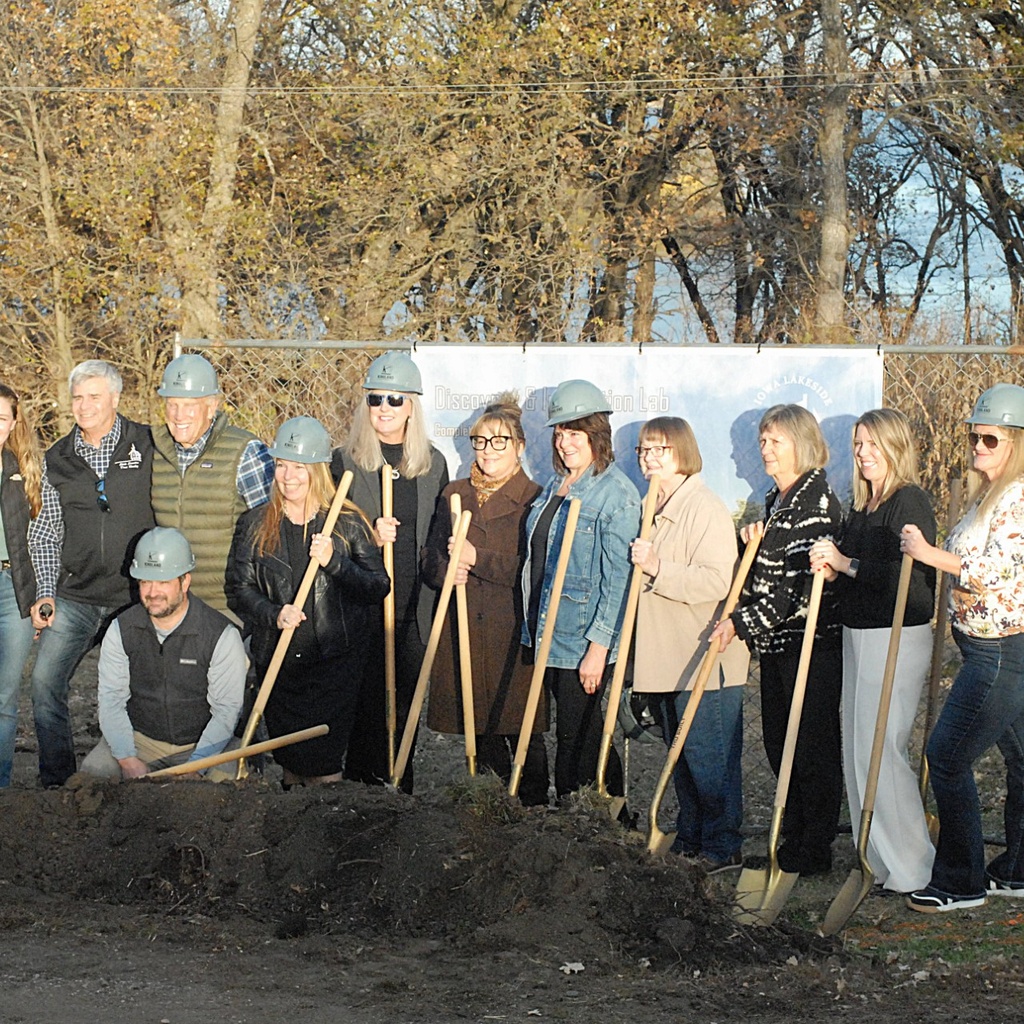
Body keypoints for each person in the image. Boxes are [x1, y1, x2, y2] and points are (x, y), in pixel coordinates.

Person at [901, 383, 1024, 912]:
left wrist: (929, 553)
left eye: (990, 439)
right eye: (974, 437)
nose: (977, 447)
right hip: (983, 647)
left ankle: (961, 881)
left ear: (1017, 441)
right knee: (1021, 760)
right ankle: (1017, 869)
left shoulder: (1019, 499)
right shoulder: (987, 496)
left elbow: (999, 570)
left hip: (1000, 651)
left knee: (946, 756)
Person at [710, 404, 843, 876]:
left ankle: (814, 847)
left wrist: (739, 624)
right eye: (763, 441)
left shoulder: (815, 502)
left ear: (801, 446)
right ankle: (794, 836)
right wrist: (754, 545)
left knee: (808, 746)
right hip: (778, 643)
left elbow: (793, 592)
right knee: (778, 742)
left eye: (775, 441)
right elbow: (771, 575)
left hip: (809, 642)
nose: (764, 449)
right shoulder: (779, 499)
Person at [809, 409, 937, 894]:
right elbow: (853, 568)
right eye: (858, 444)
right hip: (858, 634)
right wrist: (832, 565)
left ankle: (913, 866)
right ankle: (877, 858)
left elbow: (910, 583)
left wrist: (847, 562)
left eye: (872, 444)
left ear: (895, 447)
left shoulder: (909, 502)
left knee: (883, 749)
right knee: (859, 751)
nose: (863, 453)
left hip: (896, 636)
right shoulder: (863, 507)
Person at [229, 417, 391, 787]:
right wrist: (274, 614)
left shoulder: (348, 522)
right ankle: (291, 833)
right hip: (281, 660)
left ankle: (324, 832)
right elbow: (240, 588)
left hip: (334, 663)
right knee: (290, 760)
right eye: (282, 465)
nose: (288, 476)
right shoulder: (255, 523)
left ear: (317, 471)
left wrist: (336, 562)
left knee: (323, 763)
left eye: (299, 467)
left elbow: (377, 586)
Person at [629, 416, 750, 871]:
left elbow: (719, 581)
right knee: (680, 758)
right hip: (665, 657)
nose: (649, 458)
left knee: (708, 759)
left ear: (682, 452)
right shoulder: (651, 508)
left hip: (703, 658)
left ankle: (722, 845)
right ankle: (693, 836)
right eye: (643, 450)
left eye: (660, 449)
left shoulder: (705, 508)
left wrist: (660, 567)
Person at [28, 360, 155, 788]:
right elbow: (45, 533)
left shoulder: (148, 444)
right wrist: (46, 593)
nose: (84, 406)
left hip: (134, 597)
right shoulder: (57, 459)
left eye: (94, 397)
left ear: (116, 399)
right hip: (77, 597)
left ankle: (141, 772)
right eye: (77, 398)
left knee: (144, 688)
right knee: (45, 683)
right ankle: (58, 783)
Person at [421, 394, 548, 804]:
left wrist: (479, 560)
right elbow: (431, 557)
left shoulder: (535, 499)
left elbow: (536, 571)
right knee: (479, 725)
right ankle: (490, 808)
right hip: (465, 630)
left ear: (519, 446)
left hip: (511, 631)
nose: (488, 451)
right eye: (480, 441)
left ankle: (533, 808)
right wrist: (447, 570)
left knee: (520, 726)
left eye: (499, 442)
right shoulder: (454, 495)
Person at [331, 352, 448, 792]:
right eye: (375, 398)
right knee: (365, 702)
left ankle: (401, 787)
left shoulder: (432, 465)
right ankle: (362, 788)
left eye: (394, 400)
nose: (383, 408)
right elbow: (330, 532)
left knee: (404, 705)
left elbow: (437, 535)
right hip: (362, 604)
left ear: (411, 406)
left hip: (411, 607)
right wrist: (367, 533)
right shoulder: (344, 461)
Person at [520, 379, 640, 803]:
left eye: (575, 433)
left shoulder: (615, 494)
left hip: (582, 639)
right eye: (559, 433)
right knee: (574, 735)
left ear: (597, 435)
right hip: (548, 632)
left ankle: (599, 820)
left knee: (582, 736)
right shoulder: (557, 485)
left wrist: (598, 648)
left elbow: (620, 581)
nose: (565, 442)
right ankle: (588, 813)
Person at [80, 528, 245, 781]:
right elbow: (111, 700)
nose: (153, 592)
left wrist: (195, 767)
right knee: (94, 774)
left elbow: (225, 712)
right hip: (140, 740)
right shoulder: (121, 629)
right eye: (145, 581)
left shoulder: (220, 636)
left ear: (185, 581)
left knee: (226, 784)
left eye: (163, 582)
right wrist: (127, 759)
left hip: (202, 743)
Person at [151, 354, 274, 617]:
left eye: (189, 405)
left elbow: (270, 529)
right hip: (170, 608)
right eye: (172, 404)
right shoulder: (156, 451)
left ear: (212, 406)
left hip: (226, 608)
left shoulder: (244, 452)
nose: (179, 415)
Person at [0, 384, 44, 787]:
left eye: (0, 418)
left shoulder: (23, 467)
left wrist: (32, 599)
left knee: (5, 696)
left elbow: (35, 539)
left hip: (11, 586)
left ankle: (2, 785)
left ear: (13, 423)